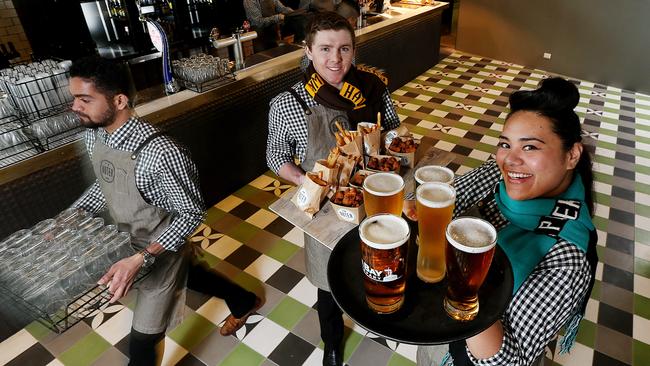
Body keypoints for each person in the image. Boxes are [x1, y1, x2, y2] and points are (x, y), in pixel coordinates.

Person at [68, 56, 262, 366]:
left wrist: (141, 258)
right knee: (196, 276)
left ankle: (241, 300)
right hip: (127, 241)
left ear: (119, 100)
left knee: (143, 345)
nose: (75, 106)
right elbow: (106, 185)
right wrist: (68, 218)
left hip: (161, 253)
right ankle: (244, 300)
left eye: (85, 99)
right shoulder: (94, 136)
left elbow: (191, 214)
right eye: (74, 98)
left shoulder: (161, 153)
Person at [416, 77, 598, 366]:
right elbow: (450, 197)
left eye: (530, 148)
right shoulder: (498, 174)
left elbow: (508, 362)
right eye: (505, 144)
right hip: (439, 326)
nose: (509, 160)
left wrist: (465, 288)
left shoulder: (567, 258)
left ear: (572, 155)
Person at [266, 11, 400, 366]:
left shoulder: (374, 87)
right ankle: (333, 340)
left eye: (344, 48)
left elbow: (393, 131)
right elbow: (275, 155)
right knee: (327, 281)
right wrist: (306, 181)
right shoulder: (289, 103)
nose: (335, 59)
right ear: (309, 51)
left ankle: (379, 314)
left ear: (354, 49)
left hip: (378, 195)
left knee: (379, 262)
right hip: (327, 207)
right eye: (325, 49)